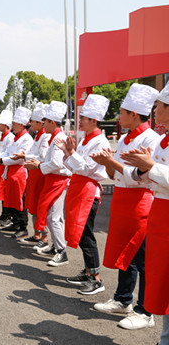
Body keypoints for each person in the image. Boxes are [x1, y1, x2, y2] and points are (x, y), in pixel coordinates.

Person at [91, 83, 160, 330]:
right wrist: (107, 162)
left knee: (142, 258)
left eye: (121, 112)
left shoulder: (151, 139)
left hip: (140, 202)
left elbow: (142, 176)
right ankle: (123, 299)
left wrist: (113, 163)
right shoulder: (124, 138)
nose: (118, 117)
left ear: (133, 114)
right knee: (125, 254)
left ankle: (146, 311)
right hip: (122, 200)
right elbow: (115, 173)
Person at [121, 81, 169, 344]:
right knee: (159, 276)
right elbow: (147, 177)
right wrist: (141, 170)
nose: (155, 110)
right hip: (160, 213)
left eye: (159, 106)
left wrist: (150, 167)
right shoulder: (162, 141)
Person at [56, 94, 110, 295]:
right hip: (80, 189)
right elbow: (76, 166)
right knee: (80, 233)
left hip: (89, 192)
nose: (80, 121)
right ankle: (88, 271)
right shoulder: (87, 140)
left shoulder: (100, 141)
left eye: (84, 118)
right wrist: (69, 153)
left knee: (86, 235)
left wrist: (71, 153)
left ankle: (96, 278)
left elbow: (88, 168)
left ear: (94, 121)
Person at [24, 101, 71, 265]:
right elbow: (49, 160)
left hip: (58, 180)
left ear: (52, 122)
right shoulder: (55, 136)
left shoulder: (58, 138)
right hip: (54, 179)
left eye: (45, 122)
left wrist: (38, 165)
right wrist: (37, 162)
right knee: (54, 216)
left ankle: (61, 251)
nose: (43, 124)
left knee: (53, 217)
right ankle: (56, 246)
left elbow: (56, 163)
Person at [0, 107, 34, 237]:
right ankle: (15, 223)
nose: (12, 126)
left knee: (20, 200)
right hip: (11, 172)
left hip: (19, 172)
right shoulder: (16, 138)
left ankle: (23, 226)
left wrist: (1, 160)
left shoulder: (27, 139)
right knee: (11, 199)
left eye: (14, 124)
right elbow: (9, 153)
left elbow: (17, 158)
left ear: (21, 125)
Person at [14, 103, 50, 245]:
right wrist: (25, 156)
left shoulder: (45, 137)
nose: (30, 124)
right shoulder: (37, 136)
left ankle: (44, 237)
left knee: (41, 207)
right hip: (34, 174)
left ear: (40, 123)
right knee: (33, 205)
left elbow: (42, 156)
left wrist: (24, 157)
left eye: (33, 122)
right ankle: (36, 235)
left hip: (40, 174)